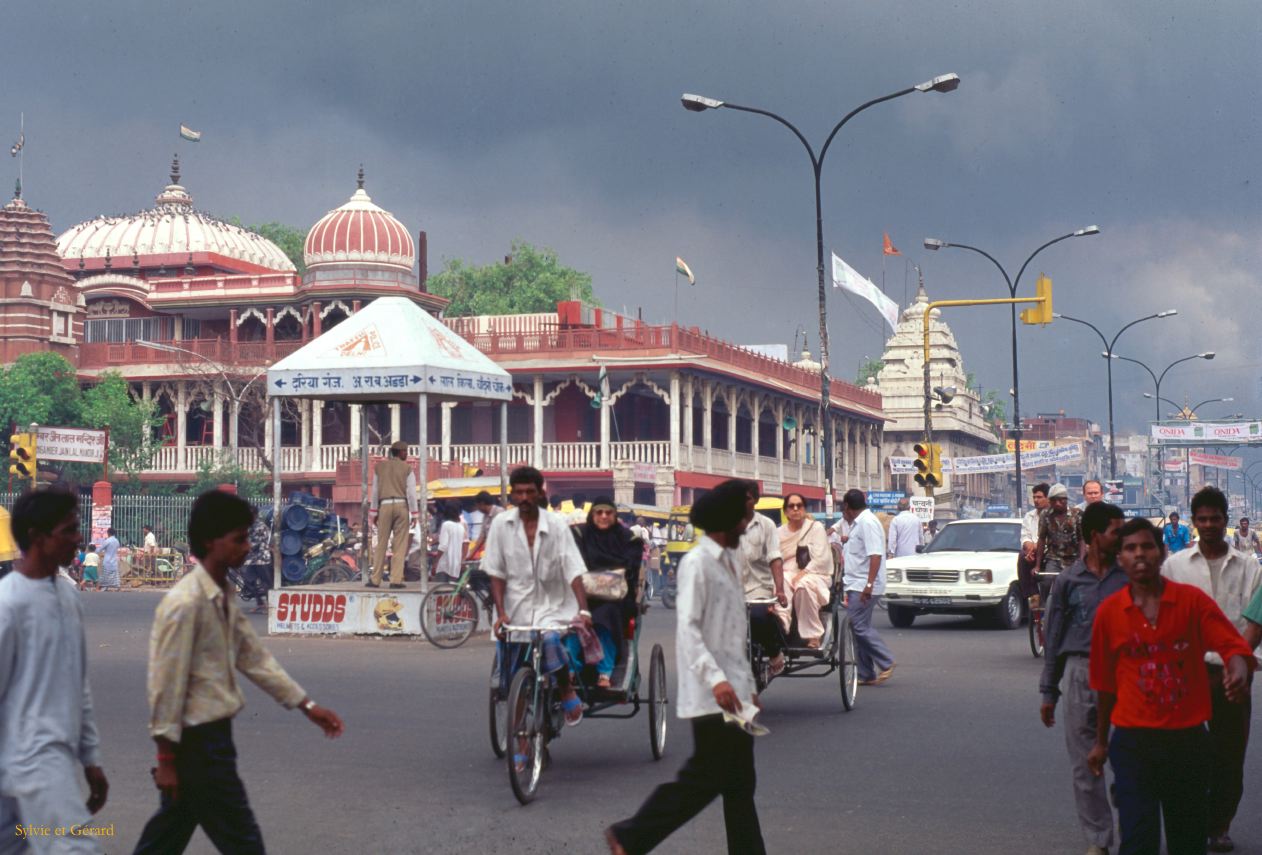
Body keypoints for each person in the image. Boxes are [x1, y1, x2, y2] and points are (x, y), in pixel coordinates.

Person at [134, 490, 344, 854]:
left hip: (212, 740)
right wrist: (166, 760)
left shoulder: (222, 593)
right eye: (239, 539)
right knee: (243, 842)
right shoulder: (185, 604)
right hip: (198, 745)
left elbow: (254, 657)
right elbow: (165, 686)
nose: (248, 547)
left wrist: (307, 707)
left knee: (166, 837)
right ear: (210, 542)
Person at [605, 480, 765, 855]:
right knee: (704, 780)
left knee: (740, 784)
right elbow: (690, 630)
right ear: (727, 518)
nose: (748, 521)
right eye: (743, 513)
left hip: (734, 691)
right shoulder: (697, 563)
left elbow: (730, 633)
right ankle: (629, 836)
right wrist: (718, 681)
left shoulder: (728, 561)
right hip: (713, 694)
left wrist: (747, 684)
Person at [0, 489, 108, 853]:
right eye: (69, 529)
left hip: (46, 760)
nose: (79, 538)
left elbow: (78, 685)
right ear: (37, 537)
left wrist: (90, 757)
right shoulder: (8, 604)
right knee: (78, 848)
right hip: (33, 762)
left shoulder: (68, 597)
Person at [1161, 486, 1261, 852]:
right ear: (1194, 522)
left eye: (1214, 518)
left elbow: (1255, 623)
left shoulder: (1249, 567)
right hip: (1186, 674)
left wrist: (1239, 666)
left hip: (1233, 675)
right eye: (1201, 519)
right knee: (1184, 753)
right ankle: (1188, 821)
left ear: (1226, 521)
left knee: (1229, 754)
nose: (1208, 525)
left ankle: (1219, 825)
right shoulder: (1174, 567)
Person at [1039, 501, 1126, 855]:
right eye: (1116, 531)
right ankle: (1099, 840)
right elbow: (1054, 635)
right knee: (1084, 763)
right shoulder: (1068, 580)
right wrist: (1048, 690)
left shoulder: (1129, 577)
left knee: (1129, 758)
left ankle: (1133, 824)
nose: (1122, 538)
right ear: (1095, 536)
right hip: (1079, 672)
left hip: (1125, 675)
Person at [482, 467, 593, 727]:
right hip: (515, 608)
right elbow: (495, 572)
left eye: (529, 492)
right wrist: (500, 614)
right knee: (512, 679)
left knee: (552, 640)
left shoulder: (557, 525)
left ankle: (566, 688)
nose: (524, 498)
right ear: (511, 494)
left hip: (553, 605)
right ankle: (520, 739)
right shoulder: (500, 525)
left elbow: (574, 569)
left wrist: (584, 610)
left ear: (539, 493)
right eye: (518, 492)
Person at [571, 497, 642, 689]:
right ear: (592, 515)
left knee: (605, 616)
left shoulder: (628, 538)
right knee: (571, 619)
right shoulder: (579, 534)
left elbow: (629, 568)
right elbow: (572, 563)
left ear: (615, 515)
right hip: (582, 596)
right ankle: (570, 669)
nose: (603, 516)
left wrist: (595, 571)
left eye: (608, 513)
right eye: (599, 512)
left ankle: (605, 672)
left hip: (616, 598)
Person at [841, 489, 897, 686]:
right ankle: (866, 673)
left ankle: (886, 660)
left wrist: (869, 585)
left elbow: (875, 555)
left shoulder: (867, 523)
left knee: (857, 625)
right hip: (857, 582)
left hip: (863, 585)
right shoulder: (859, 524)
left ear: (847, 507)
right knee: (859, 628)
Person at [739, 481, 788, 677]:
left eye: (747, 499)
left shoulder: (766, 525)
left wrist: (780, 589)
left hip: (758, 587)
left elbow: (775, 558)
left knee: (758, 617)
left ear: (755, 500)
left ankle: (775, 653)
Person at [775, 493, 832, 648]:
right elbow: (773, 558)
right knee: (782, 581)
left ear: (804, 509)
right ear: (786, 511)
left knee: (803, 585)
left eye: (799, 505)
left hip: (815, 573)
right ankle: (782, 622)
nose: (795, 509)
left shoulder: (815, 528)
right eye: (791, 506)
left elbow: (821, 558)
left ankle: (813, 635)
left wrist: (803, 573)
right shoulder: (778, 533)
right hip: (788, 572)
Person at [368, 440, 418, 589]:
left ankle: (375, 579)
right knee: (399, 544)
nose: (407, 454)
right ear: (401, 452)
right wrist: (414, 514)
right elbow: (411, 493)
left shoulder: (379, 467)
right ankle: (395, 580)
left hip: (384, 506)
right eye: (406, 452)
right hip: (401, 506)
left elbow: (375, 491)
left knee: (381, 543)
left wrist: (374, 512)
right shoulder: (407, 469)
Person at [1034, 484, 1083, 608]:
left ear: (1066, 500)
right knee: (1047, 581)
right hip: (1053, 557)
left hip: (1073, 558)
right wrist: (1038, 565)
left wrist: (1081, 561)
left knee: (1076, 584)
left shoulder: (1076, 514)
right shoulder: (1045, 515)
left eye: (1061, 500)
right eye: (1054, 500)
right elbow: (1041, 539)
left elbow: (1082, 540)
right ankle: (1045, 610)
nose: (1057, 503)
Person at [1020, 483, 1051, 598]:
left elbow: (1049, 537)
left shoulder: (1054, 515)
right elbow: (1025, 536)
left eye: (1039, 497)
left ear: (1048, 498)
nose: (1036, 500)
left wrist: (1035, 548)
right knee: (1022, 556)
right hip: (1032, 553)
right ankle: (1032, 595)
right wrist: (1029, 548)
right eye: (1034, 497)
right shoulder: (1029, 516)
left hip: (1049, 553)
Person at [241, 517, 272, 614]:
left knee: (266, 583)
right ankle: (260, 603)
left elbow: (256, 544)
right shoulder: (250, 525)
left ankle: (270, 606)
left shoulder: (259, 526)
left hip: (261, 559)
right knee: (249, 580)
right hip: (252, 559)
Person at [433, 502, 467, 583]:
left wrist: (436, 561)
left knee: (440, 589)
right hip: (456, 564)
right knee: (452, 589)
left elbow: (443, 546)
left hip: (445, 563)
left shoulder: (446, 525)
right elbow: (463, 544)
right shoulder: (461, 527)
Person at [467, 491, 502, 559]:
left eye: (477, 505)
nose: (477, 508)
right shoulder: (485, 516)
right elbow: (482, 536)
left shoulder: (499, 513)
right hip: (490, 554)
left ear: (482, 504)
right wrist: (470, 555)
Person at [98, 527, 121, 591]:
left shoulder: (107, 541)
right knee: (114, 574)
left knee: (105, 574)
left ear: (108, 533)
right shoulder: (117, 541)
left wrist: (93, 552)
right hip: (114, 560)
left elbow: (100, 549)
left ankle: (105, 586)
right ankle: (117, 586)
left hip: (107, 560)